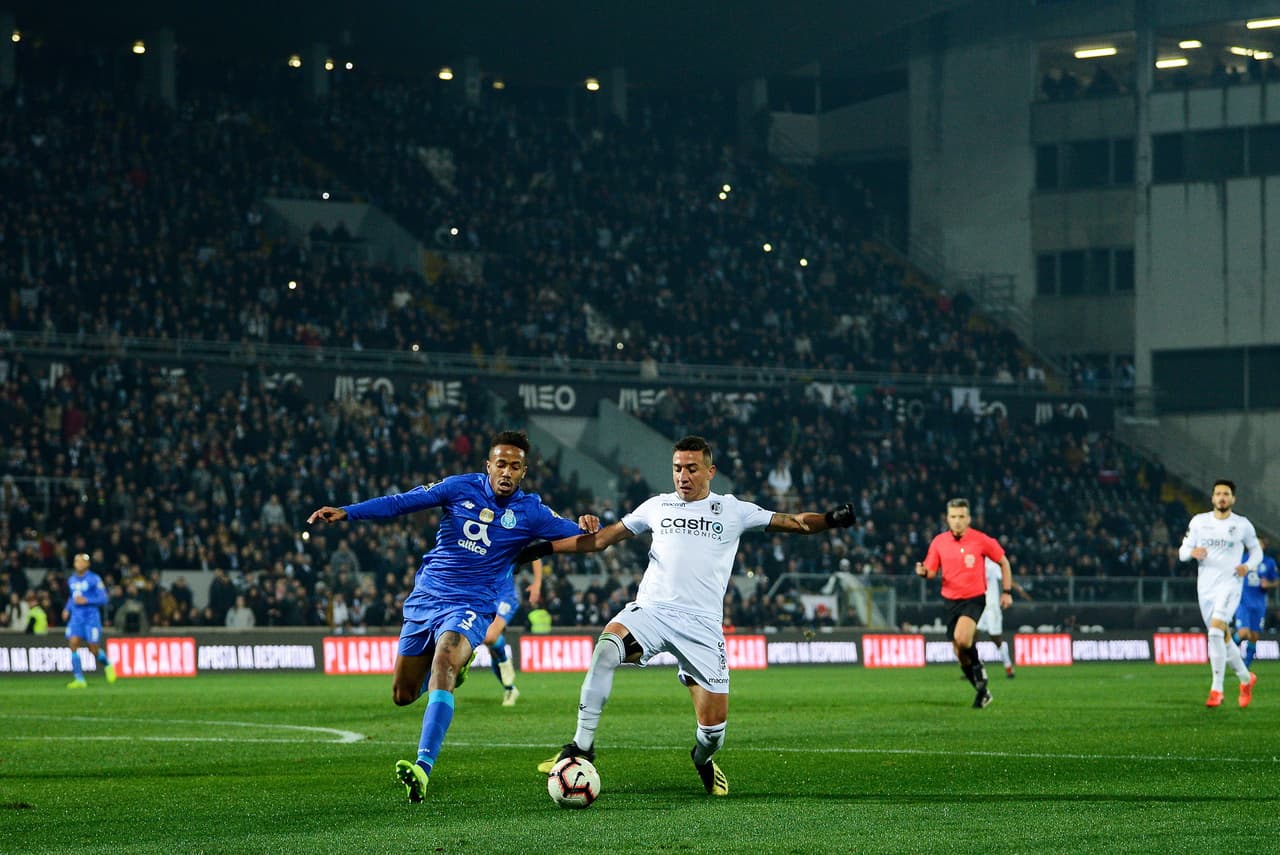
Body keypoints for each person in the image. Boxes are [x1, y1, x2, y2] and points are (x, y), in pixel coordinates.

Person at [526, 435, 856, 796]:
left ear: (710, 471)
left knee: (713, 734)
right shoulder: (656, 506)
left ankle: (702, 759)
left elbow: (796, 523)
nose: (683, 476)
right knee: (606, 650)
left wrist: (830, 520)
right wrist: (544, 548)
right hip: (652, 612)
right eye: (677, 468)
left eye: (692, 469)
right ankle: (581, 747)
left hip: (702, 626)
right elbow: (601, 540)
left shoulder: (733, 510)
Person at [307, 430, 598, 803]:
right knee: (403, 694)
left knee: (444, 660)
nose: (506, 472)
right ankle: (456, 668)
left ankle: (423, 767)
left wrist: (592, 523)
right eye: (501, 464)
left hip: (472, 605)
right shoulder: (459, 488)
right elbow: (401, 503)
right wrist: (349, 512)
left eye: (515, 466)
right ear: (488, 466)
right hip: (427, 597)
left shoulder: (531, 511)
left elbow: (586, 537)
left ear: (524, 472)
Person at [915, 499, 1012, 708]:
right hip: (950, 600)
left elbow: (1004, 562)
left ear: (968, 518)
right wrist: (923, 572)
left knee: (963, 639)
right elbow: (931, 571)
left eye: (961, 517)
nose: (957, 521)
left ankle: (981, 674)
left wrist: (1007, 591)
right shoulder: (939, 542)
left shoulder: (981, 540)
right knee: (960, 654)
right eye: (953, 517)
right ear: (947, 518)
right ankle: (982, 691)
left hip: (974, 598)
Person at [1179, 479, 1261, 708]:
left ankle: (1217, 689)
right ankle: (1246, 679)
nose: (1222, 497)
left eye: (1226, 494)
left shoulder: (1242, 525)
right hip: (1205, 587)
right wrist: (1192, 552)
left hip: (1230, 585)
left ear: (1233, 499)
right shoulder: (1199, 522)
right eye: (1218, 493)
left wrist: (1248, 566)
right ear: (1212, 498)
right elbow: (1182, 552)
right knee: (1222, 637)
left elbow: (1256, 552)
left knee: (1215, 632)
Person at [483, 558, 543, 706]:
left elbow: (536, 554)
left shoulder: (509, 536)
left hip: (506, 596)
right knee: (492, 648)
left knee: (490, 638)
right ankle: (510, 688)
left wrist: (537, 583)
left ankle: (505, 662)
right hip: (487, 596)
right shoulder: (480, 540)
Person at [62, 553, 118, 689]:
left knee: (93, 648)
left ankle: (107, 664)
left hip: (91, 618)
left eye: (82, 562)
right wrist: (66, 609)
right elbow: (72, 597)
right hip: (76, 617)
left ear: (87, 564)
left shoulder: (94, 579)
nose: (79, 564)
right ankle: (79, 679)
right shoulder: (71, 580)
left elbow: (104, 599)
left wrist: (88, 600)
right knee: (73, 643)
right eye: (77, 561)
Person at [1234, 537, 1278, 668]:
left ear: (1263, 546)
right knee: (1243, 632)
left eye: (1259, 544)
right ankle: (1226, 651)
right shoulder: (1242, 559)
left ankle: (1245, 666)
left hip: (1259, 604)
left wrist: (1268, 584)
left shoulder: (1269, 562)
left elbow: (1276, 580)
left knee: (1253, 636)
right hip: (1243, 602)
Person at [977, 557, 1016, 678]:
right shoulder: (974, 562)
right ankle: (975, 669)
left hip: (992, 607)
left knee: (996, 639)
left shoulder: (993, 564)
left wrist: (1012, 589)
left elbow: (1004, 577)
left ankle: (1008, 666)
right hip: (978, 606)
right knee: (970, 637)